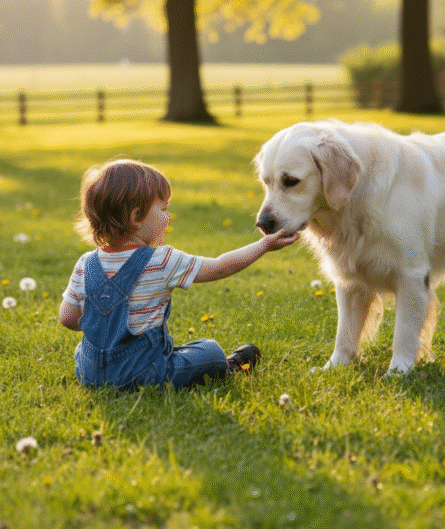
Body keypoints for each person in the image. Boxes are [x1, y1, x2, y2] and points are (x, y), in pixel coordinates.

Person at [59, 158, 298, 390]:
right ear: (136, 217)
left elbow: (67, 318)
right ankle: (226, 366)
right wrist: (264, 246)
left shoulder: (85, 264)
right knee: (210, 351)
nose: (168, 217)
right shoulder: (161, 260)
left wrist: (107, 332)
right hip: (146, 374)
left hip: (90, 375)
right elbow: (220, 267)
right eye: (163, 210)